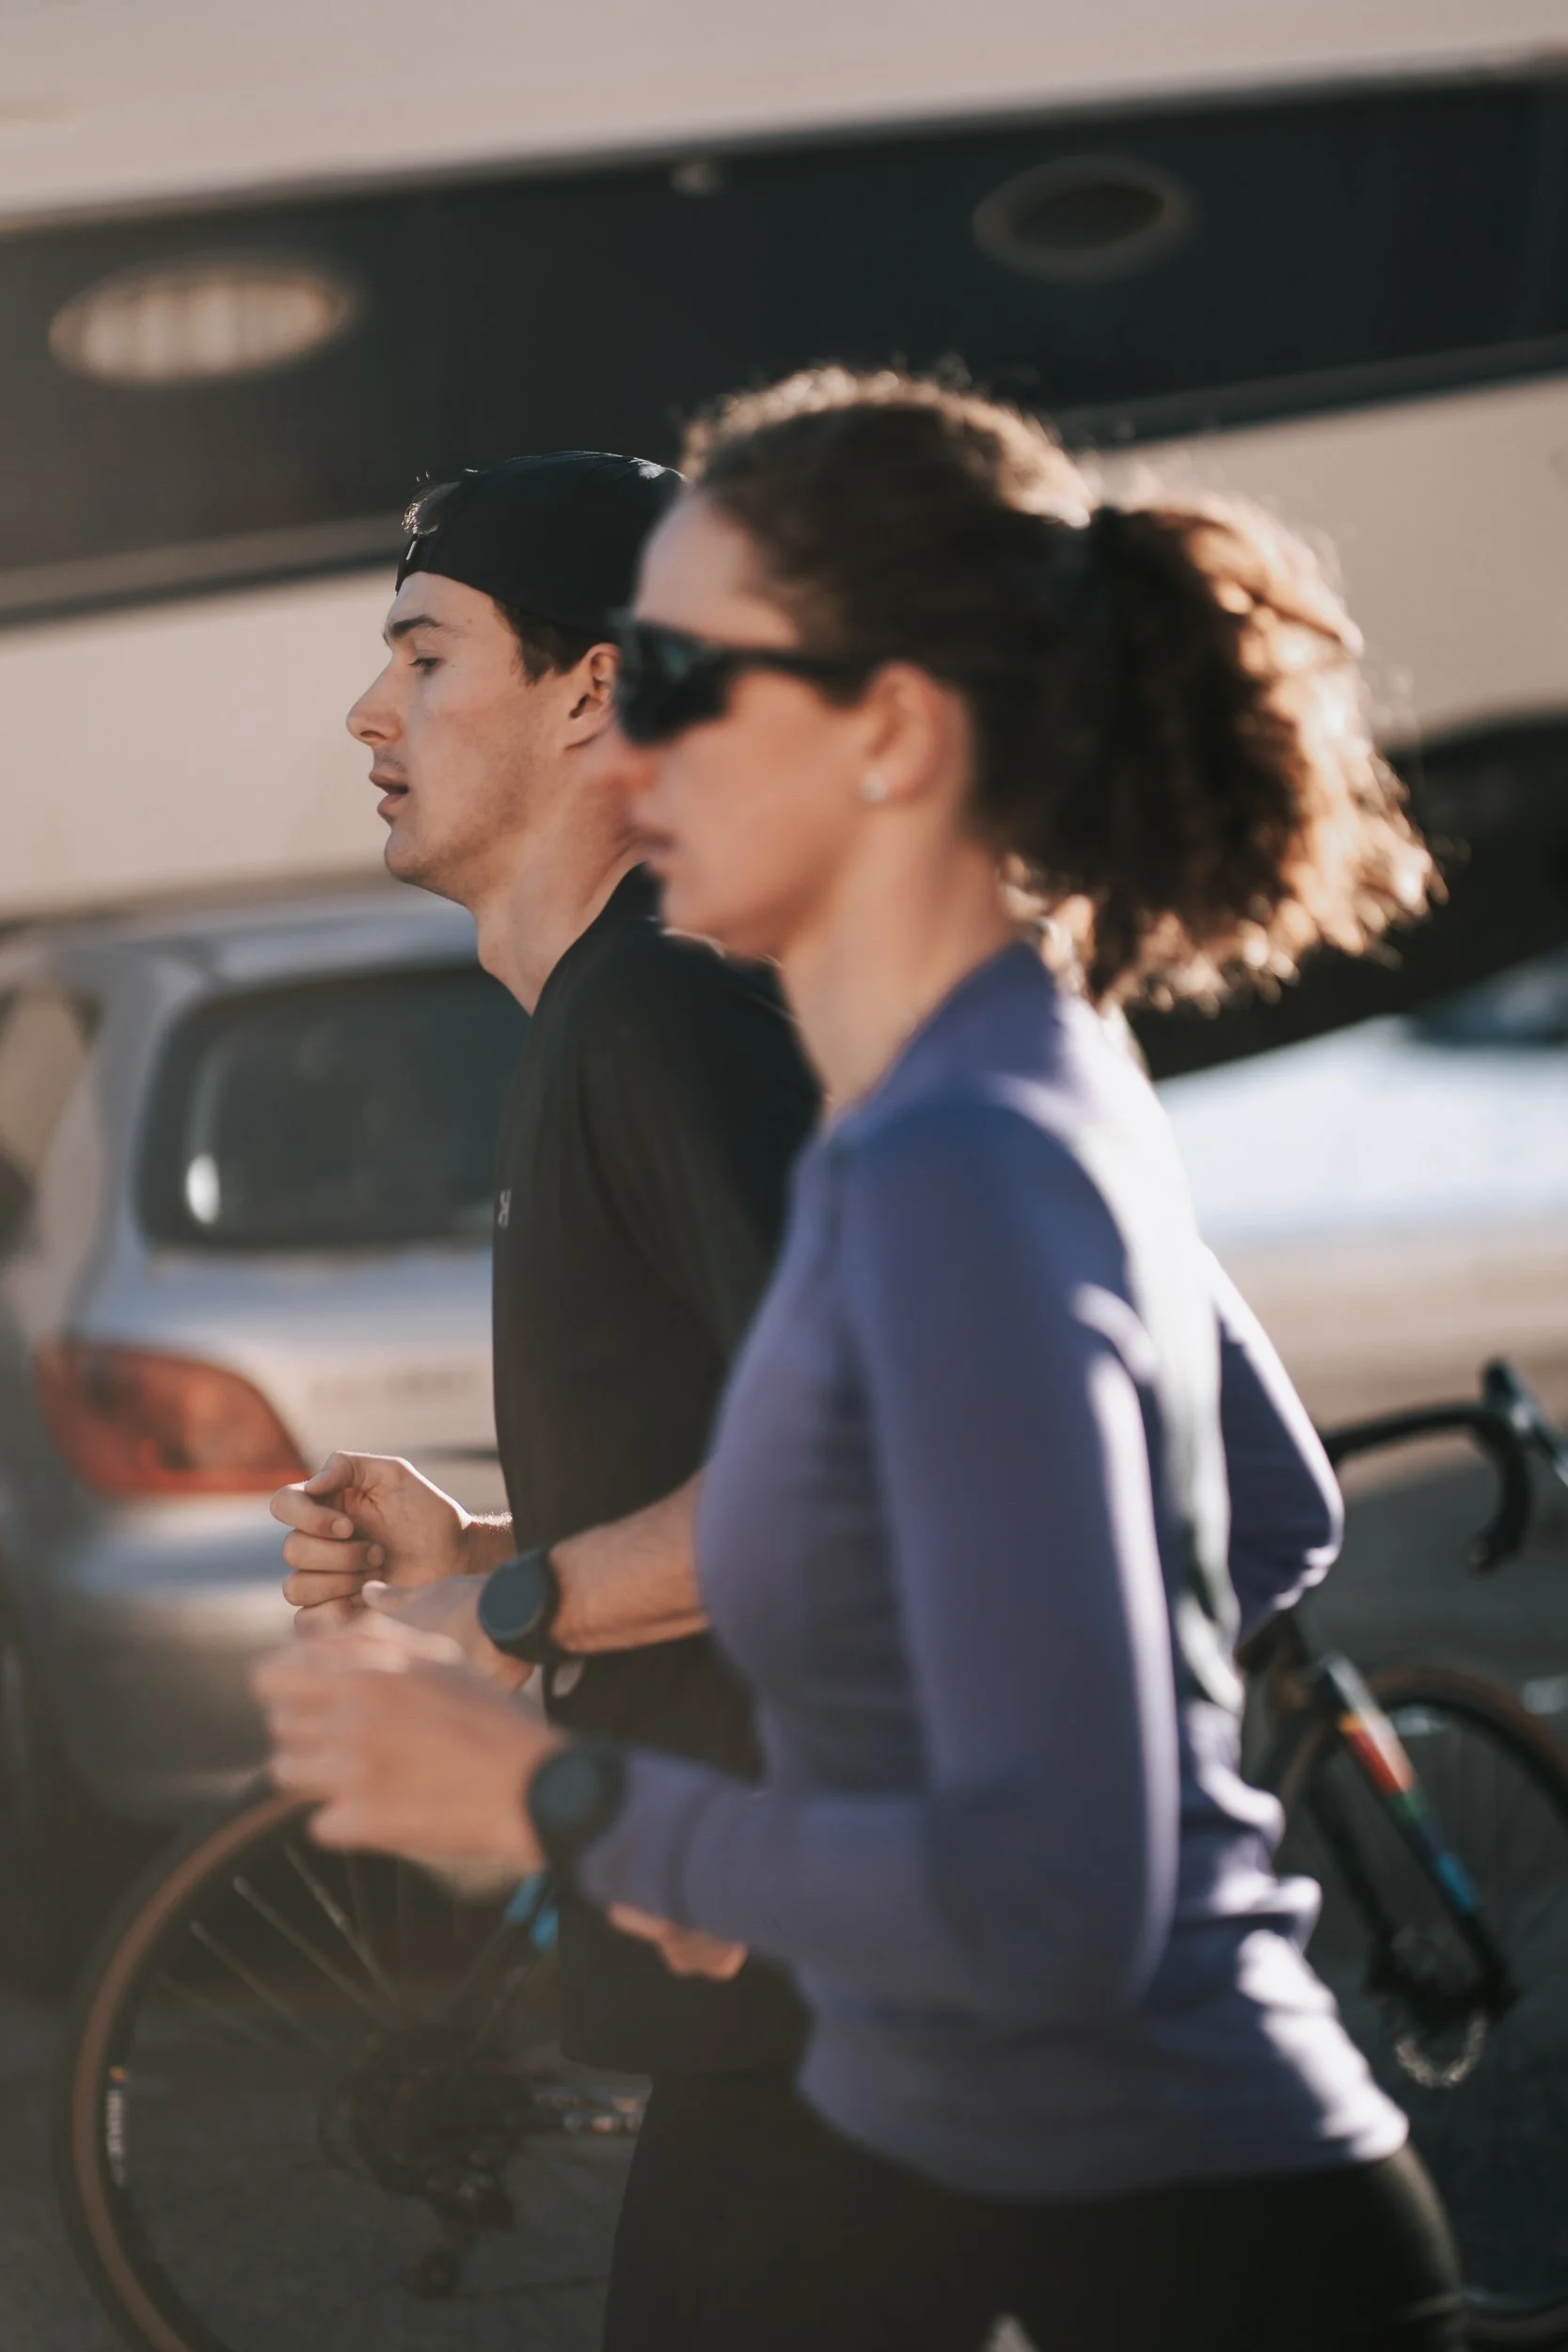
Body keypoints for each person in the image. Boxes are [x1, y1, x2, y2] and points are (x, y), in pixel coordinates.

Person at [256, 373, 1465, 2351]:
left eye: (690, 680)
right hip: (1039, 2160)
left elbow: (1060, 1891)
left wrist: (573, 1797)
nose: (643, 744)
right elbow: (1222, 1500)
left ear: (885, 730)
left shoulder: (957, 1149)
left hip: (1188, 2223)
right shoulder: (971, 1082)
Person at [267, 449, 825, 2350]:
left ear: (594, 685)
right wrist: (487, 1544)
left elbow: (865, 1472)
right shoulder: (605, 1017)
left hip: (826, 1959)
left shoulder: (669, 1013)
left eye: (424, 653)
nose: (367, 707)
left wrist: (511, 1609)